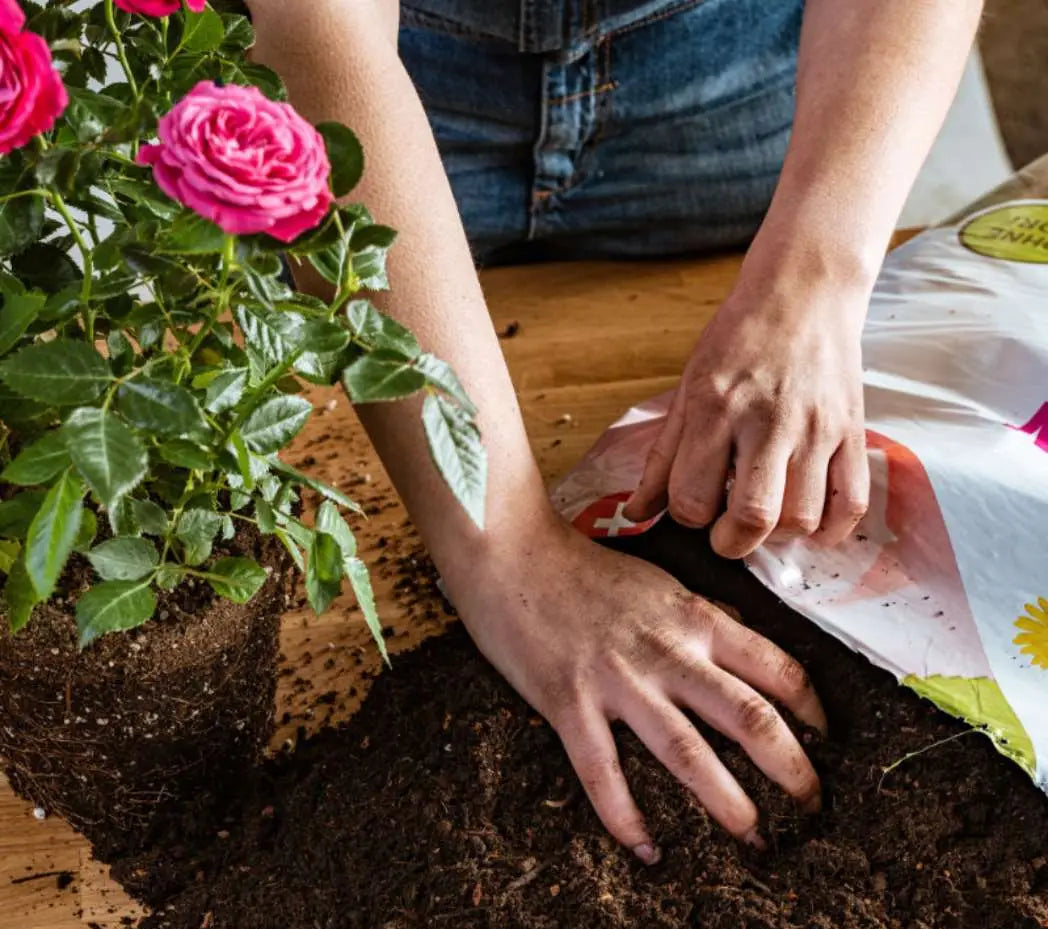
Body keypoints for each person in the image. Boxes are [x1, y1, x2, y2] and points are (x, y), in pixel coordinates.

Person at [245, 0, 983, 862]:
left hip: (740, 92)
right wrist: (510, 551)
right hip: (384, 100)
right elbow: (313, 25)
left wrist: (814, 280)